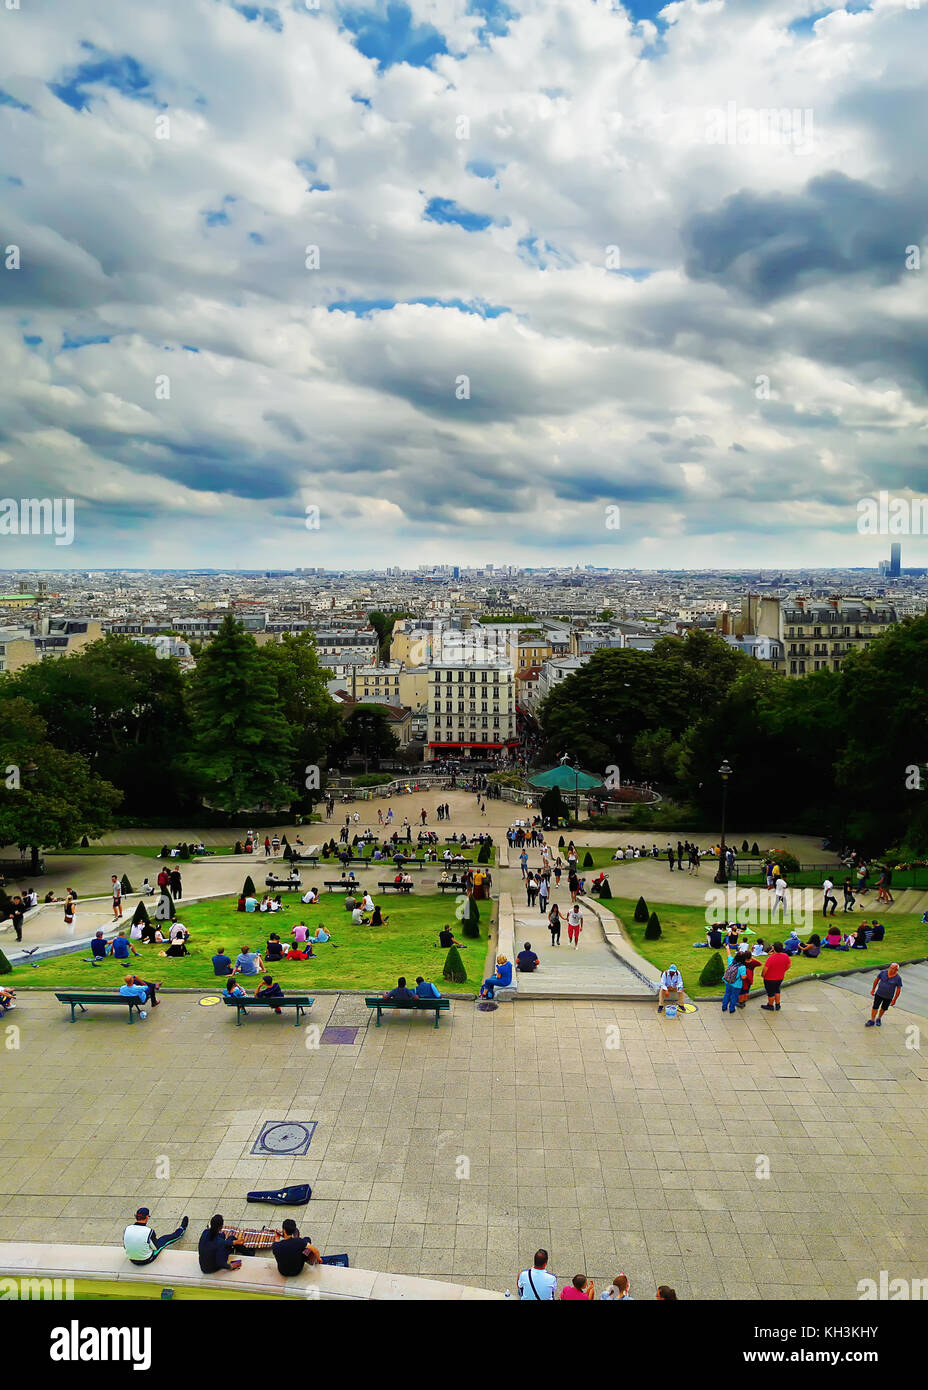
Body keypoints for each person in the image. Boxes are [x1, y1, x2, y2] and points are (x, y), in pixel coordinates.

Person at [123, 1206, 188, 1265]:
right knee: (165, 1239)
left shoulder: (127, 1228)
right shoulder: (149, 1231)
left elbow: (125, 1246)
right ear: (147, 1217)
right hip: (146, 1259)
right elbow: (155, 1248)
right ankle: (182, 1229)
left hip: (131, 1259)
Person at [760, 941, 791, 1011]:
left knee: (770, 992)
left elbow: (765, 969)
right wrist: (782, 971)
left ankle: (770, 1005)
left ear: (773, 948)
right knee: (777, 990)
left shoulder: (771, 958)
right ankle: (777, 1004)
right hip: (780, 977)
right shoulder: (785, 956)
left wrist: (763, 975)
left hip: (769, 978)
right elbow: (788, 966)